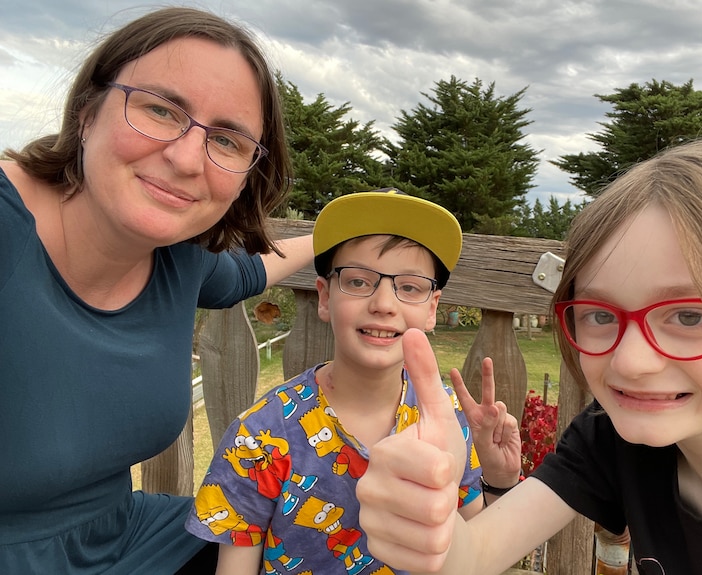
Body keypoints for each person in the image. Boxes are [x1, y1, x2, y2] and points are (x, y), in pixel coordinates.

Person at [354, 137, 702, 575]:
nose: (630, 362)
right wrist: (431, 526)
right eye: (599, 314)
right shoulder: (612, 440)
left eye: (690, 316)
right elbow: (472, 556)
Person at [0, 7, 314, 574]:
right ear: (87, 112)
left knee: (312, 532)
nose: (187, 158)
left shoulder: (180, 257)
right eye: (161, 110)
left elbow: (246, 273)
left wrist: (337, 232)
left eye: (229, 140)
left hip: (126, 544)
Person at [186, 188, 516, 575]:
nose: (383, 303)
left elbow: (473, 551)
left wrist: (500, 481)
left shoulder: (448, 418)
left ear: (432, 309)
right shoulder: (260, 436)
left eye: (409, 287)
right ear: (325, 298)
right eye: (358, 282)